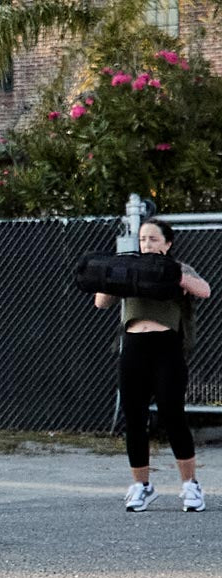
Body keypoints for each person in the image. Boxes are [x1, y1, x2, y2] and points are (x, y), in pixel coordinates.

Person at [94, 218, 211, 512]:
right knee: (134, 417)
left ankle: (190, 486)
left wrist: (172, 275)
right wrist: (115, 277)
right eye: (143, 239)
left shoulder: (178, 268)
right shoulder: (131, 267)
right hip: (133, 346)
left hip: (166, 348)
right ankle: (142, 486)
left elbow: (204, 290)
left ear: (167, 244)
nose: (147, 244)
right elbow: (101, 301)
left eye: (154, 239)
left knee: (173, 414)